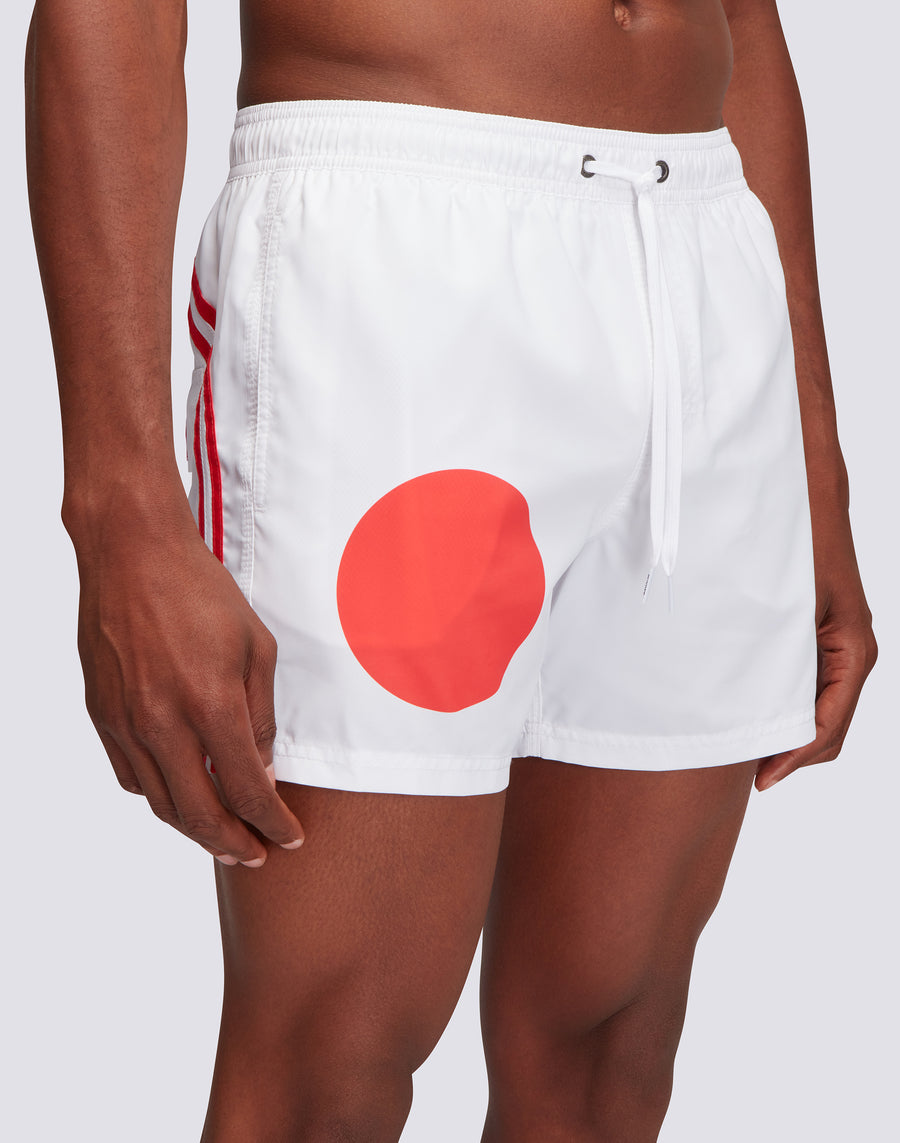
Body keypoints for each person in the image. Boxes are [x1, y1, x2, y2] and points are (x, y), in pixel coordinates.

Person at [24, 1, 877, 1140]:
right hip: (398, 252)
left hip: (703, 253)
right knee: (332, 1053)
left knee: (607, 1039)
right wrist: (118, 503)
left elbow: (748, 23)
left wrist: (814, 458)